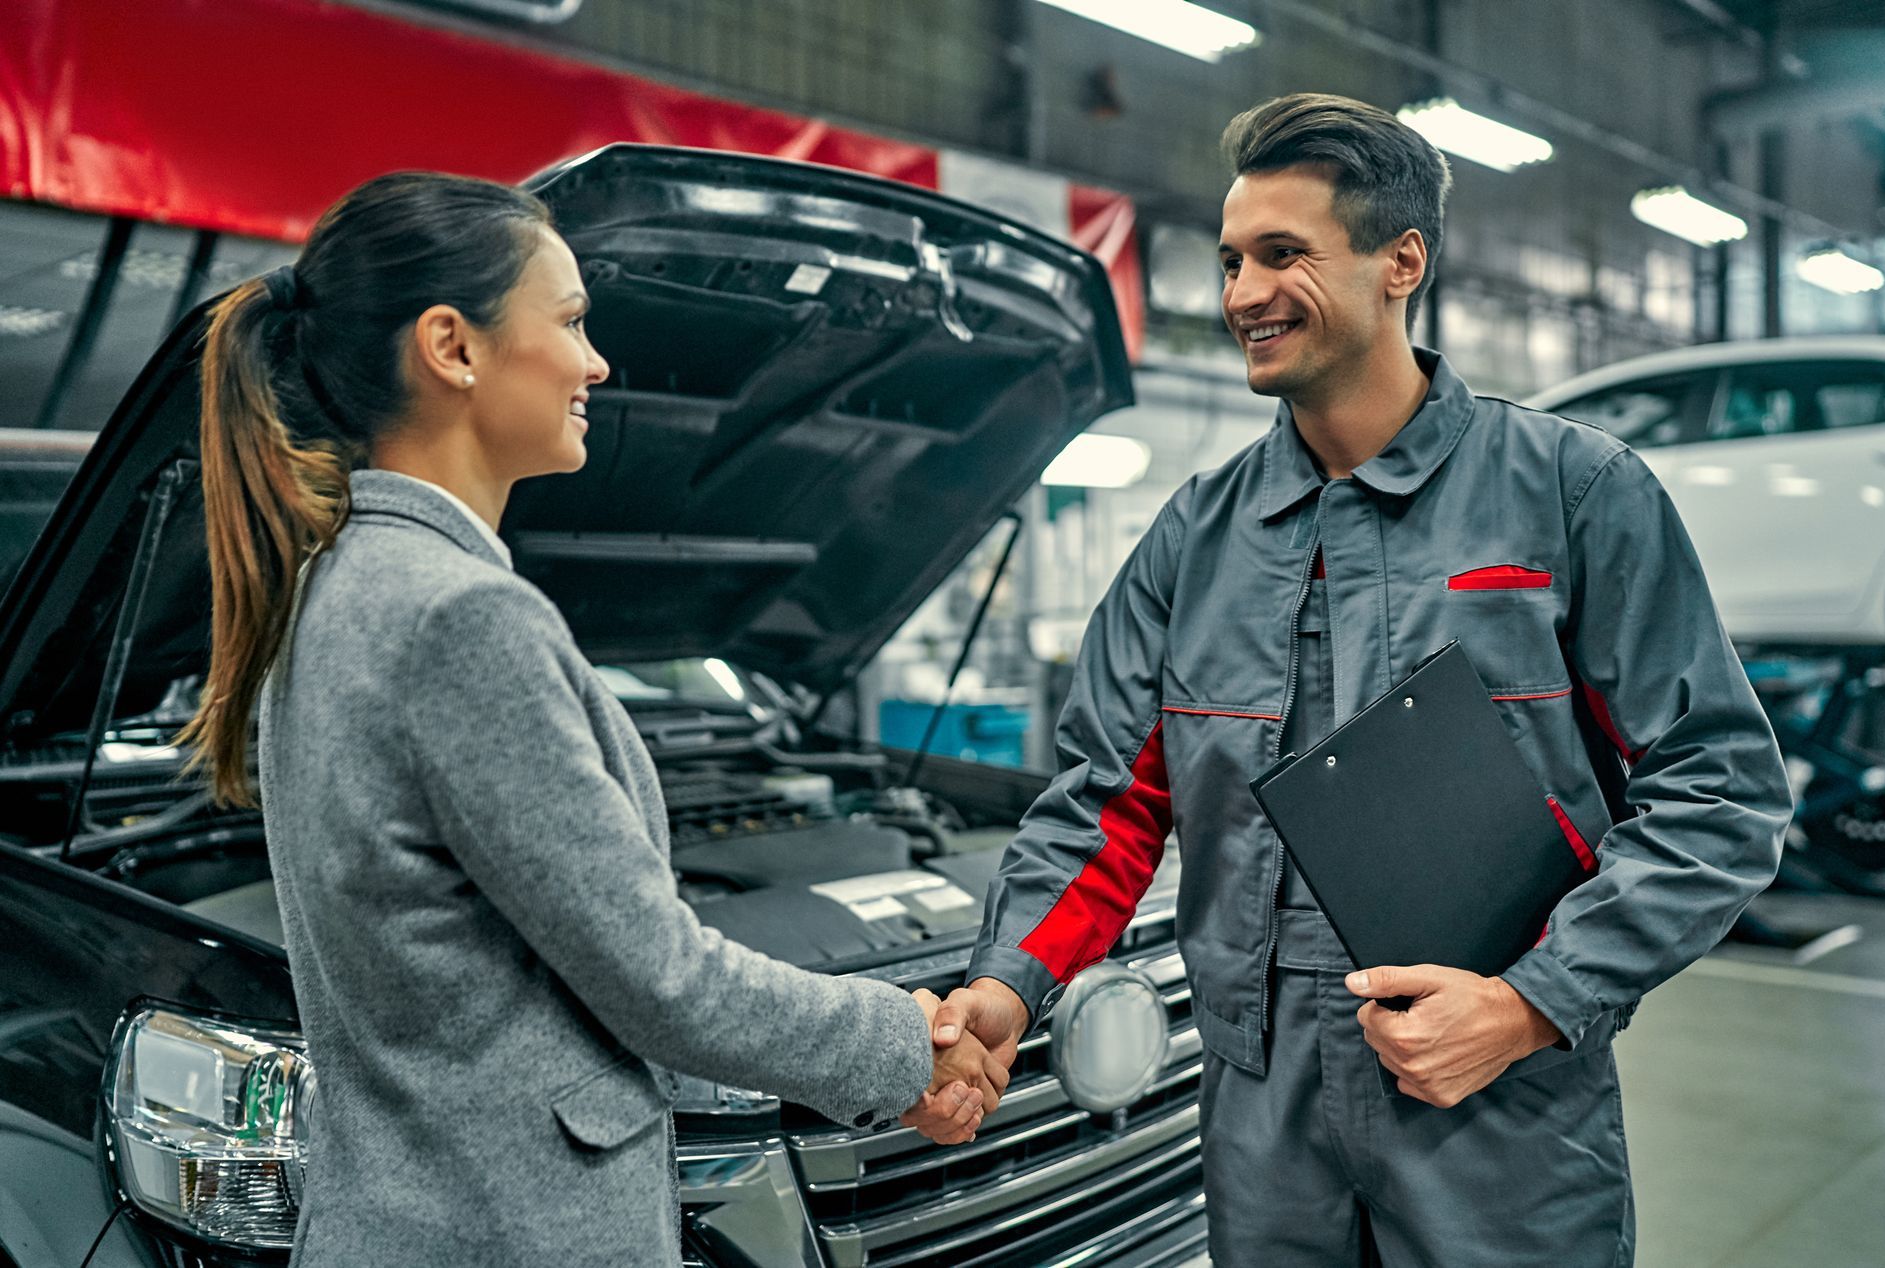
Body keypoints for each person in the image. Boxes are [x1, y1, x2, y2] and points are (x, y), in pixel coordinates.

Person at [923, 94, 1791, 1265]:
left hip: (1501, 1099)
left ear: (1401, 262)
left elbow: (1721, 790)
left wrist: (1532, 1001)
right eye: (1230, 258)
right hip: (1259, 1105)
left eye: (1284, 254)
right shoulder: (1196, 536)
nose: (1240, 293)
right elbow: (1107, 802)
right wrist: (1007, 985)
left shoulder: (1574, 493)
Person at [178, 170, 1005, 1266]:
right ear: (452, 347)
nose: (597, 361)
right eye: (569, 321)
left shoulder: (335, 585)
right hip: (511, 1233)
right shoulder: (459, 616)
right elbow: (662, 978)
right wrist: (906, 1043)